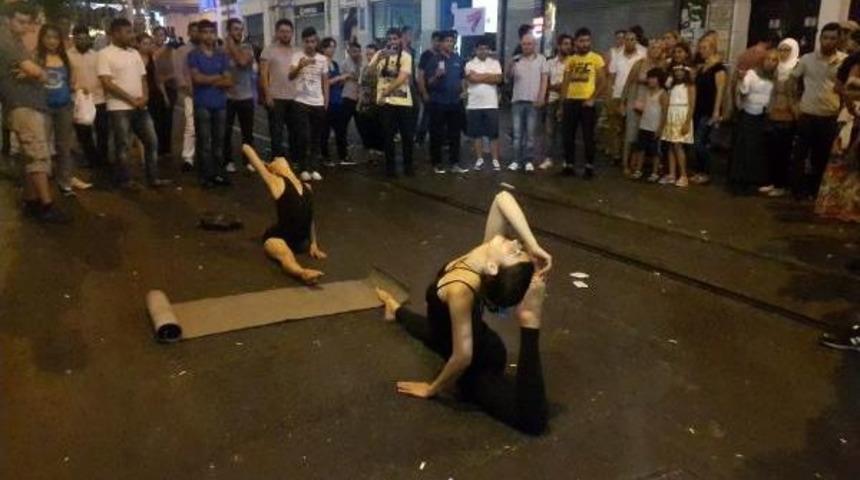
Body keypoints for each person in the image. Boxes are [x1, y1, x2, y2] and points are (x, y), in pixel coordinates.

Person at [374, 191, 551, 435]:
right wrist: (533, 245)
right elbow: (501, 198)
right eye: (517, 248)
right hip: (447, 333)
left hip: (478, 364)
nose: (515, 242)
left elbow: (463, 356)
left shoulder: (461, 289)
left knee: (531, 421)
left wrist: (431, 389)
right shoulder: (484, 255)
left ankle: (531, 321)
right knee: (423, 327)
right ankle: (396, 310)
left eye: (513, 251)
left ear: (493, 268)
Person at [0, 2, 69, 222]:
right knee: (39, 156)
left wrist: (35, 71)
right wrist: (38, 73)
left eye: (29, 22)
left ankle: (31, 201)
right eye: (21, 21)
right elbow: (36, 71)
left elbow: (33, 69)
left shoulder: (15, 41)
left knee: (31, 156)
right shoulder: (7, 40)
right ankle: (46, 206)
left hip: (29, 105)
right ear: (7, 19)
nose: (27, 26)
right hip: (24, 106)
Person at [98, 18, 171, 189]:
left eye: (131, 31)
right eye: (127, 32)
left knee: (152, 141)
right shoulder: (105, 54)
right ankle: (125, 180)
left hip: (140, 106)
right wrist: (130, 99)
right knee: (123, 146)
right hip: (119, 108)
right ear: (116, 33)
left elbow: (143, 78)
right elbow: (106, 83)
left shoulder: (134, 54)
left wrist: (144, 97)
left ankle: (153, 178)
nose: (131, 35)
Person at [243, 145, 327, 285]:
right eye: (274, 160)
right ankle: (302, 273)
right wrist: (265, 165)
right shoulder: (276, 182)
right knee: (285, 255)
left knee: (289, 250)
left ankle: (302, 270)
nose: (277, 158)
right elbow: (247, 150)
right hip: (278, 237)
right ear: (275, 170)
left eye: (278, 158)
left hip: (300, 241)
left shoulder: (307, 187)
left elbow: (309, 216)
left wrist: (313, 244)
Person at [789, 23, 847, 200]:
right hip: (807, 115)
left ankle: (815, 191)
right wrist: (794, 105)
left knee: (821, 157)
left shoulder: (844, 61)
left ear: (838, 40)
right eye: (825, 38)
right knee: (800, 155)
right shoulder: (807, 59)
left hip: (829, 117)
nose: (828, 42)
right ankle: (797, 191)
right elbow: (792, 80)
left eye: (832, 38)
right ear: (820, 38)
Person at [37, 24, 86, 197]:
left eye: (55, 38)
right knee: (41, 147)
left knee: (64, 146)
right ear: (42, 39)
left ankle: (65, 182)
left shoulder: (64, 59)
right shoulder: (37, 59)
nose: (52, 41)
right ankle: (40, 184)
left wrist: (76, 91)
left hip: (64, 107)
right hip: (43, 108)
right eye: (48, 37)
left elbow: (72, 81)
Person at [187, 20, 233, 188]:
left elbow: (229, 81)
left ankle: (219, 174)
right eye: (205, 32)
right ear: (199, 34)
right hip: (202, 104)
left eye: (211, 32)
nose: (209, 35)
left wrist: (209, 79)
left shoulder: (222, 55)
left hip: (220, 104)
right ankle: (206, 176)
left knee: (219, 142)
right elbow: (196, 79)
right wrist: (218, 77)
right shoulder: (194, 55)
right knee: (204, 142)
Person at [559, 27, 606, 178]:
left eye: (587, 41)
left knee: (588, 137)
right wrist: (562, 104)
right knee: (568, 136)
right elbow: (565, 83)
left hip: (587, 103)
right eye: (581, 41)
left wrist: (592, 98)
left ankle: (589, 167)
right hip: (571, 101)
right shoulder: (571, 60)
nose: (585, 44)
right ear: (576, 43)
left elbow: (602, 81)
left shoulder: (596, 59)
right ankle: (569, 165)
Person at [728, 49, 776, 194]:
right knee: (744, 148)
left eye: (774, 60)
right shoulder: (752, 73)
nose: (770, 62)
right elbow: (744, 90)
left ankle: (753, 180)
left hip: (764, 116)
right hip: (749, 114)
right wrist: (742, 80)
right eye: (768, 59)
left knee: (757, 150)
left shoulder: (775, 77)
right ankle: (739, 180)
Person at [370, 28, 414, 177]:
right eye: (389, 39)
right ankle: (390, 169)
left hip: (403, 102)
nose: (392, 42)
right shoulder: (379, 54)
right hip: (385, 103)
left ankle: (408, 167)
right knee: (388, 136)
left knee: (407, 136)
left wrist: (387, 90)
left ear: (400, 39)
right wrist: (378, 58)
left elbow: (403, 77)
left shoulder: (406, 56)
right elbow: (368, 74)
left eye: (395, 39)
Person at [760, 38, 800, 198]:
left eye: (787, 50)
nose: (783, 53)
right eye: (781, 49)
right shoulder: (778, 68)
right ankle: (772, 181)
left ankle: (782, 184)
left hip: (790, 114)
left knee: (784, 150)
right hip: (775, 112)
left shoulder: (797, 67)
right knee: (772, 149)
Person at [288, 27, 329, 182]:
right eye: (307, 41)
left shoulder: (322, 59)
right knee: (303, 136)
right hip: (300, 101)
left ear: (316, 41)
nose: (310, 44)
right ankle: (304, 167)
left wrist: (326, 101)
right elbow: (290, 76)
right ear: (302, 42)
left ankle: (315, 168)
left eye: (313, 41)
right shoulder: (296, 56)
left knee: (316, 137)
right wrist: (300, 65)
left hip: (318, 102)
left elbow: (325, 81)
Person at [424, 30, 467, 174]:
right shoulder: (434, 59)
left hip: (455, 102)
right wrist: (436, 76)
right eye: (446, 41)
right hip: (438, 102)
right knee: (437, 134)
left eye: (451, 41)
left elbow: (462, 78)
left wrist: (464, 90)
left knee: (455, 134)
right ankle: (437, 163)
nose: (449, 43)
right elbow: (429, 83)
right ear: (441, 43)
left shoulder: (458, 59)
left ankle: (455, 163)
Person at [68, 24, 109, 172]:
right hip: (79, 100)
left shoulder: (97, 55)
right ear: (74, 39)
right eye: (78, 38)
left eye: (85, 38)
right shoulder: (68, 56)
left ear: (89, 39)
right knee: (84, 134)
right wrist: (75, 89)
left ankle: (103, 159)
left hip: (99, 99)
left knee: (103, 131)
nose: (82, 41)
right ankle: (92, 160)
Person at [622, 39, 664, 177]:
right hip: (635, 100)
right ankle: (625, 164)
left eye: (658, 48)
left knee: (643, 136)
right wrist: (623, 102)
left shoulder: (662, 66)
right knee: (630, 135)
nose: (655, 50)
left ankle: (636, 165)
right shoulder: (639, 64)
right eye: (653, 47)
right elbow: (628, 83)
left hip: (651, 105)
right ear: (648, 49)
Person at [507, 33, 548, 173]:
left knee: (530, 134)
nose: (526, 46)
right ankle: (516, 160)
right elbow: (508, 77)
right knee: (517, 134)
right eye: (524, 44)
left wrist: (541, 97)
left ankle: (528, 160)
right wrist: (511, 63)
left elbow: (544, 80)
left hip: (533, 102)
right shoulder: (517, 60)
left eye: (529, 43)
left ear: (534, 44)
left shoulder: (542, 60)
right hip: (517, 100)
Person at [691, 35, 727, 185]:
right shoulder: (702, 67)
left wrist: (716, 111)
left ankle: (706, 171)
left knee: (700, 141)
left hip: (708, 109)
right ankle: (699, 170)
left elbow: (720, 90)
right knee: (697, 141)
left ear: (712, 49)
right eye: (700, 48)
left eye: (704, 48)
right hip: (698, 108)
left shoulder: (718, 69)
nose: (701, 51)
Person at [222, 18, 256, 173]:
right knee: (226, 132)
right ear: (229, 31)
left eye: (241, 29)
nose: (239, 32)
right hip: (227, 98)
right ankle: (228, 161)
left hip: (245, 97)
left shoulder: (247, 47)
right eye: (235, 29)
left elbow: (242, 61)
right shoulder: (221, 50)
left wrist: (231, 45)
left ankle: (248, 161)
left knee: (247, 133)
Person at [606, 30, 644, 164]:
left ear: (636, 41)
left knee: (632, 129)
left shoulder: (642, 55)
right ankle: (616, 155)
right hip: (617, 95)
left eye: (632, 39)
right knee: (617, 128)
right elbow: (611, 77)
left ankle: (629, 158)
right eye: (627, 39)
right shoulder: (617, 56)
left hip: (634, 96)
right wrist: (609, 96)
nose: (629, 42)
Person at [260, 19, 297, 160]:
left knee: (295, 131)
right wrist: (267, 94)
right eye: (282, 31)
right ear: (276, 33)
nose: (285, 34)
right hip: (276, 98)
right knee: (276, 132)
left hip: (294, 98)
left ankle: (295, 160)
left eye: (288, 32)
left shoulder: (297, 51)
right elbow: (263, 74)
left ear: (292, 33)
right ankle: (277, 160)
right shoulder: (268, 50)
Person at [465, 36, 503, 172]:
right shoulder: (469, 64)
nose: (483, 51)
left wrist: (480, 76)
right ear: (475, 50)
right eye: (480, 49)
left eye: (486, 49)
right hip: (474, 104)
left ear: (489, 50)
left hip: (491, 104)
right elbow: (472, 79)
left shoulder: (495, 63)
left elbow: (498, 79)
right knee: (477, 134)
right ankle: (479, 159)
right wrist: (488, 76)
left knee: (493, 134)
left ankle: (495, 159)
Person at [660, 59, 696, 188]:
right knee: (670, 144)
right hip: (671, 114)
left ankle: (683, 175)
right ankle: (672, 174)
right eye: (676, 71)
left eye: (681, 70)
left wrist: (687, 122)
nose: (678, 73)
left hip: (682, 114)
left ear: (685, 71)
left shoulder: (690, 86)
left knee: (678, 145)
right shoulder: (672, 86)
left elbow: (692, 105)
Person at [631, 68, 667, 181]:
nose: (651, 80)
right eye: (650, 78)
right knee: (641, 149)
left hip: (655, 127)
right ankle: (638, 170)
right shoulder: (646, 92)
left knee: (655, 151)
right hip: (644, 125)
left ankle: (655, 172)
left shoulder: (663, 93)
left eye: (654, 78)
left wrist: (660, 128)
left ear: (659, 79)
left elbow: (665, 112)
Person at [542, 34, 573, 170]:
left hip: (568, 100)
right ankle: (549, 158)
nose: (568, 47)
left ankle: (565, 159)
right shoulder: (550, 63)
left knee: (565, 132)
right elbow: (546, 84)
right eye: (565, 44)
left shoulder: (573, 62)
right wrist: (560, 86)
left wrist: (562, 86)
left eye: (569, 44)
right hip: (552, 100)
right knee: (550, 131)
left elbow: (572, 83)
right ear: (559, 46)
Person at [319, 37, 349, 167]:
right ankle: (325, 156)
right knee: (325, 131)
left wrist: (342, 81)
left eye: (334, 46)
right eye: (330, 46)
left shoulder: (335, 64)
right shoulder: (320, 63)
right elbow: (323, 83)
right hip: (326, 101)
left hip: (338, 100)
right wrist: (338, 78)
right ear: (324, 48)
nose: (332, 49)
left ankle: (343, 156)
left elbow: (337, 83)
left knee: (341, 130)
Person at [173, 22, 199, 171]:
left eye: (199, 31)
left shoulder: (206, 49)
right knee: (191, 127)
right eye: (194, 31)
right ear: (189, 32)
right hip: (190, 94)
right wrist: (187, 90)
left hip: (206, 93)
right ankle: (188, 157)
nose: (197, 34)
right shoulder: (182, 51)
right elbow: (178, 74)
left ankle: (204, 154)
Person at [335, 41, 362, 165]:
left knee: (363, 125)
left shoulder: (362, 62)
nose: (356, 54)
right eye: (353, 51)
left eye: (357, 51)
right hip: (347, 98)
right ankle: (343, 154)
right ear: (349, 51)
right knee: (342, 126)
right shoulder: (345, 63)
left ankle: (369, 148)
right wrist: (347, 77)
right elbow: (340, 82)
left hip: (359, 98)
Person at [152, 26, 176, 158]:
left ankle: (166, 148)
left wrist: (172, 37)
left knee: (168, 119)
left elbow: (176, 44)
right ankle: (158, 147)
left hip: (170, 87)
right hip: (156, 88)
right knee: (157, 119)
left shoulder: (169, 48)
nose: (159, 38)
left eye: (162, 35)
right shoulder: (152, 50)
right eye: (157, 35)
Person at [356, 42, 384, 155]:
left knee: (379, 125)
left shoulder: (382, 68)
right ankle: (370, 147)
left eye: (371, 54)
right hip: (366, 102)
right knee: (367, 125)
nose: (369, 57)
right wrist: (359, 101)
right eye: (367, 54)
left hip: (379, 101)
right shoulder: (364, 68)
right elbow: (361, 85)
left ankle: (380, 147)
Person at [415, 31, 442, 145]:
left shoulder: (442, 56)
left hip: (440, 93)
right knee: (426, 116)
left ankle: (440, 140)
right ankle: (420, 139)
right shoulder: (426, 55)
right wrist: (424, 92)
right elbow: (420, 74)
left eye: (440, 41)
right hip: (428, 90)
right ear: (432, 41)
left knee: (439, 117)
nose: (438, 44)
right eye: (436, 41)